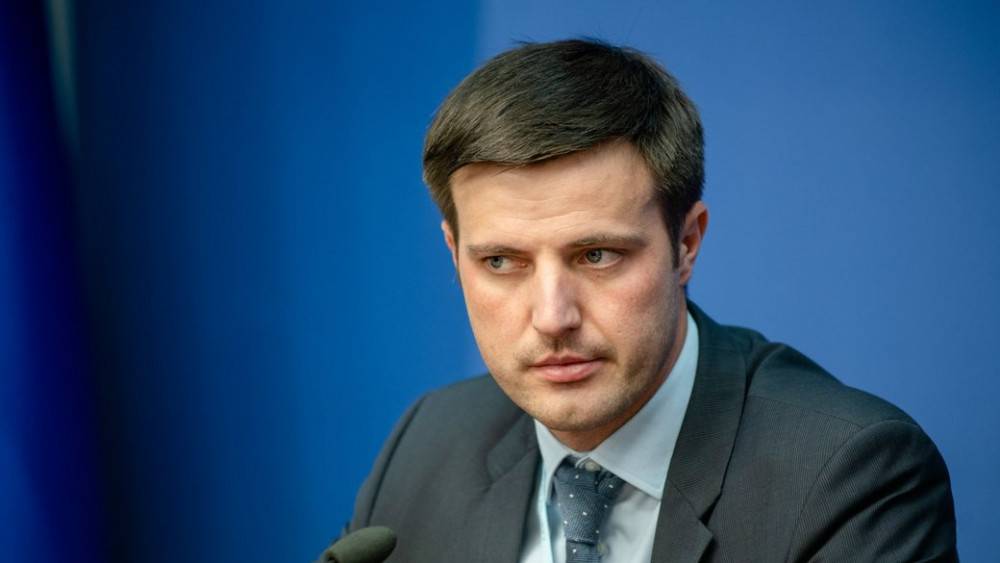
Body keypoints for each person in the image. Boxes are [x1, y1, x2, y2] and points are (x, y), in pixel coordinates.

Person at [342, 39, 957, 562]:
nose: (553, 318)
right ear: (455, 255)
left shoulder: (851, 476)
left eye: (597, 255)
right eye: (501, 262)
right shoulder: (427, 444)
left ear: (686, 244)